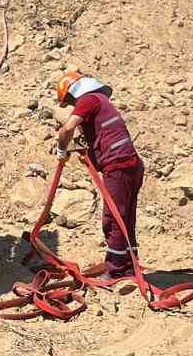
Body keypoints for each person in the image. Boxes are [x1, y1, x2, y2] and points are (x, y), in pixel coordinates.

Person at [51, 70, 145, 278]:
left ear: (73, 92)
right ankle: (129, 264)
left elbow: (66, 129)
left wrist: (61, 150)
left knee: (113, 219)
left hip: (118, 166)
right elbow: (100, 134)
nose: (72, 105)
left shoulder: (88, 100)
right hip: (130, 165)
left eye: (69, 100)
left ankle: (116, 269)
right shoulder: (100, 101)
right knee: (125, 218)